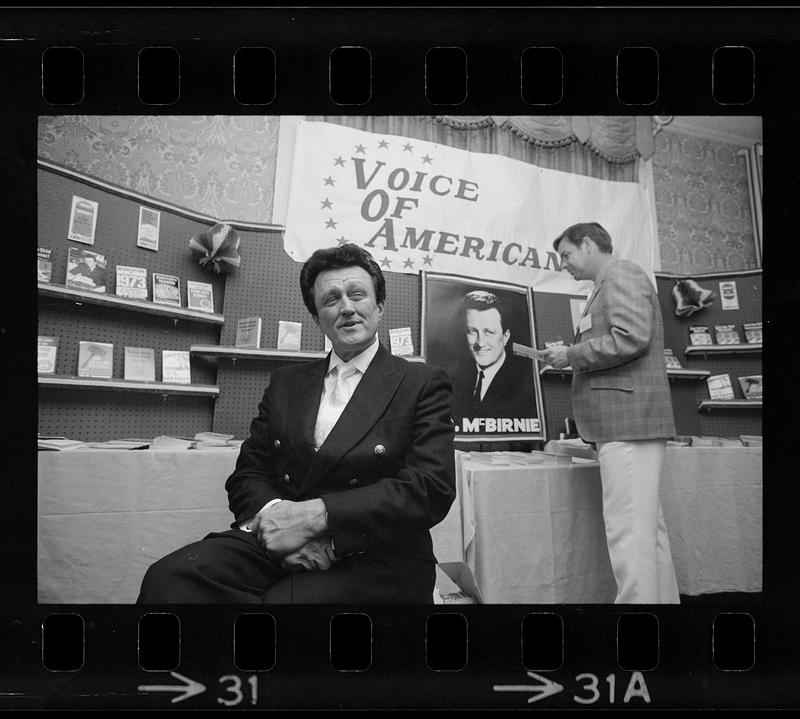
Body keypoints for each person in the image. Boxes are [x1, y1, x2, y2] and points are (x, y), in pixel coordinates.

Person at [138, 243, 456, 603]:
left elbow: (430, 489)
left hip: (377, 553)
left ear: (379, 306)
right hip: (279, 540)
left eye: (357, 295)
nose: (347, 308)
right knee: (170, 579)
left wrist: (315, 519)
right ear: (317, 315)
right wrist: (281, 523)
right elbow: (249, 474)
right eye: (331, 299)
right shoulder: (287, 383)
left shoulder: (422, 383)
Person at [543, 222, 680, 604]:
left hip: (628, 422)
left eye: (567, 254)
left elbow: (630, 337)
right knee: (646, 534)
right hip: (625, 422)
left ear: (588, 244)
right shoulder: (606, 285)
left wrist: (569, 356)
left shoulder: (621, 275)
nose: (565, 265)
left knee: (629, 534)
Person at [451, 290, 537, 420]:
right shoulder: (453, 379)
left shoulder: (526, 385)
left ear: (505, 336)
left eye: (488, 332)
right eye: (472, 331)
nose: (480, 343)